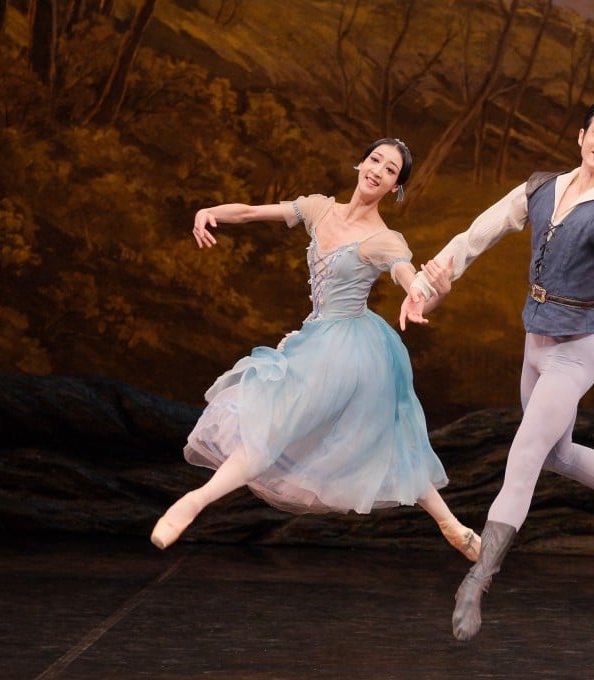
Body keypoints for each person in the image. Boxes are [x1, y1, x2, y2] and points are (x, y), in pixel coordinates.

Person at [400, 97, 594, 641]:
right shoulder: (540, 189)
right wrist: (425, 288)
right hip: (535, 347)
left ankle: (477, 580)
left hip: (574, 355)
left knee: (525, 454)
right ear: (580, 136)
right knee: (559, 455)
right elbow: (476, 235)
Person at [151, 138, 481, 563]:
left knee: (370, 435)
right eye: (375, 160)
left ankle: (194, 502)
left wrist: (433, 291)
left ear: (395, 188)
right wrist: (211, 212)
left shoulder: (385, 240)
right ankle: (452, 526)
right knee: (285, 423)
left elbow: (411, 284)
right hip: (316, 337)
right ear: (360, 163)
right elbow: (252, 213)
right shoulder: (317, 208)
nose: (378, 170)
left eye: (391, 170)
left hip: (355, 352)